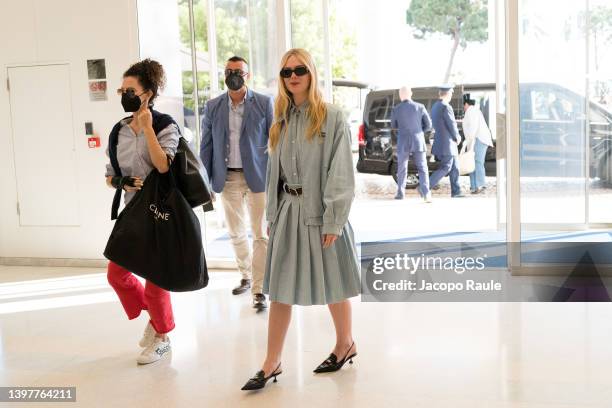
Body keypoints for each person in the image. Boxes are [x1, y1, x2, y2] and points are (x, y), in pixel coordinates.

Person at [241, 48, 361, 391]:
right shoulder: (279, 120)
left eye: (299, 70)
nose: (293, 76)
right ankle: (271, 361)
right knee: (279, 289)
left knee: (333, 283)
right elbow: (272, 174)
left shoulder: (333, 117)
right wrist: (272, 215)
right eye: (286, 72)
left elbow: (341, 174)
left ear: (311, 73)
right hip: (288, 213)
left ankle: (345, 343)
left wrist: (333, 221)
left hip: (320, 214)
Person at [104, 59, 179, 364]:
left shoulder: (165, 125)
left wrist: (147, 128)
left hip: (160, 213)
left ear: (148, 93)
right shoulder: (118, 131)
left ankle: (163, 338)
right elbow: (109, 176)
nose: (124, 95)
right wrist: (120, 181)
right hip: (131, 212)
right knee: (116, 273)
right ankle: (156, 319)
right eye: (122, 90)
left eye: (130, 90)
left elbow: (163, 165)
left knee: (156, 279)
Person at [200, 56, 274, 310]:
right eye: (229, 71)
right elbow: (206, 146)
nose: (234, 75)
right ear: (224, 75)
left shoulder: (264, 103)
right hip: (227, 176)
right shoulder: (213, 106)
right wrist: (205, 181)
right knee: (235, 232)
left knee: (261, 233)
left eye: (239, 71)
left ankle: (259, 289)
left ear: (248, 76)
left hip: (258, 177)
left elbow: (274, 142)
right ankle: (247, 274)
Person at [390, 86, 433, 201]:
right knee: (422, 167)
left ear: (400, 95)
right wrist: (419, 131)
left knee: (402, 168)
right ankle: (426, 194)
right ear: (411, 93)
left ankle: (400, 193)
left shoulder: (396, 109)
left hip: (403, 141)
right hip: (418, 140)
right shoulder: (420, 107)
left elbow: (393, 126)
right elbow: (429, 125)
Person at [429, 85, 464, 198]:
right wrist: (457, 136)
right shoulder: (446, 106)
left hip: (442, 142)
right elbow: (452, 124)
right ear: (448, 94)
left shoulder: (435, 106)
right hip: (447, 143)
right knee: (446, 167)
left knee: (455, 167)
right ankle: (424, 187)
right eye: (451, 94)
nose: (451, 96)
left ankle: (456, 191)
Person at [462, 95, 493, 194]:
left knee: (477, 162)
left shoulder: (471, 110)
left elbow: (473, 127)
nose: (463, 108)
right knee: (472, 163)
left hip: (478, 139)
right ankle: (474, 187)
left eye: (464, 106)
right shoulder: (472, 111)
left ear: (466, 104)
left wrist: (468, 141)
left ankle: (480, 185)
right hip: (475, 139)